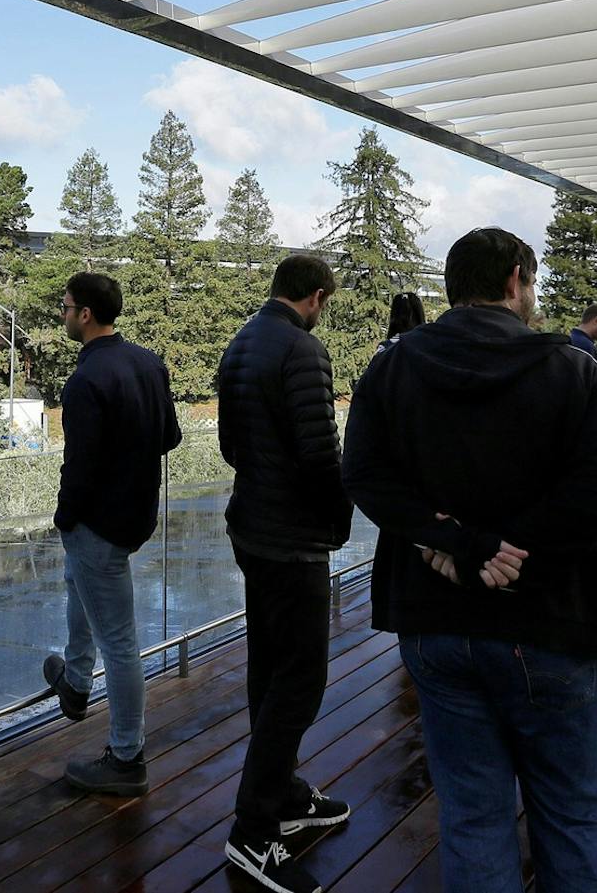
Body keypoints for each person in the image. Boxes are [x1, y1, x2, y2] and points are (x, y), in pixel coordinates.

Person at [344, 228, 597, 893]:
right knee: (571, 811)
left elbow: (363, 473)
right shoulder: (573, 369)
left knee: (472, 813)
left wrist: (456, 543)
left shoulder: (393, 365)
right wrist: (502, 547)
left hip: (437, 618)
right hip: (553, 617)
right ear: (515, 280)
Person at [215, 254, 353, 893]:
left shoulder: (241, 342)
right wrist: (339, 519)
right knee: (302, 677)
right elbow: (321, 453)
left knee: (268, 671)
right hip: (292, 537)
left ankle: (286, 793)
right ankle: (253, 831)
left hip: (250, 525)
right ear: (317, 297)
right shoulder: (303, 350)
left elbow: (229, 447)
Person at [43, 271, 181, 797]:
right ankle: (76, 682)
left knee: (120, 642)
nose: (63, 312)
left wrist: (64, 516)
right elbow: (169, 435)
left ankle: (127, 757)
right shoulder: (148, 363)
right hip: (135, 515)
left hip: (97, 520)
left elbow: (79, 466)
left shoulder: (84, 382)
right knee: (79, 583)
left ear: (85, 314)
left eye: (66, 304)